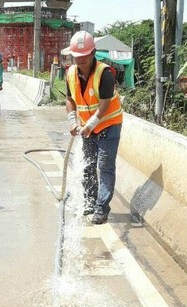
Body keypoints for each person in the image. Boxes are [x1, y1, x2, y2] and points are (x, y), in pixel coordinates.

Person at [65, 31, 123, 225]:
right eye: (77, 58)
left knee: (105, 167)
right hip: (87, 128)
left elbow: (104, 104)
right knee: (88, 166)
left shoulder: (104, 74)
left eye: (84, 57)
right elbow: (70, 99)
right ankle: (90, 202)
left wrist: (90, 125)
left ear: (93, 53)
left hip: (109, 125)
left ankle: (101, 208)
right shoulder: (70, 73)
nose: (81, 61)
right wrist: (72, 120)